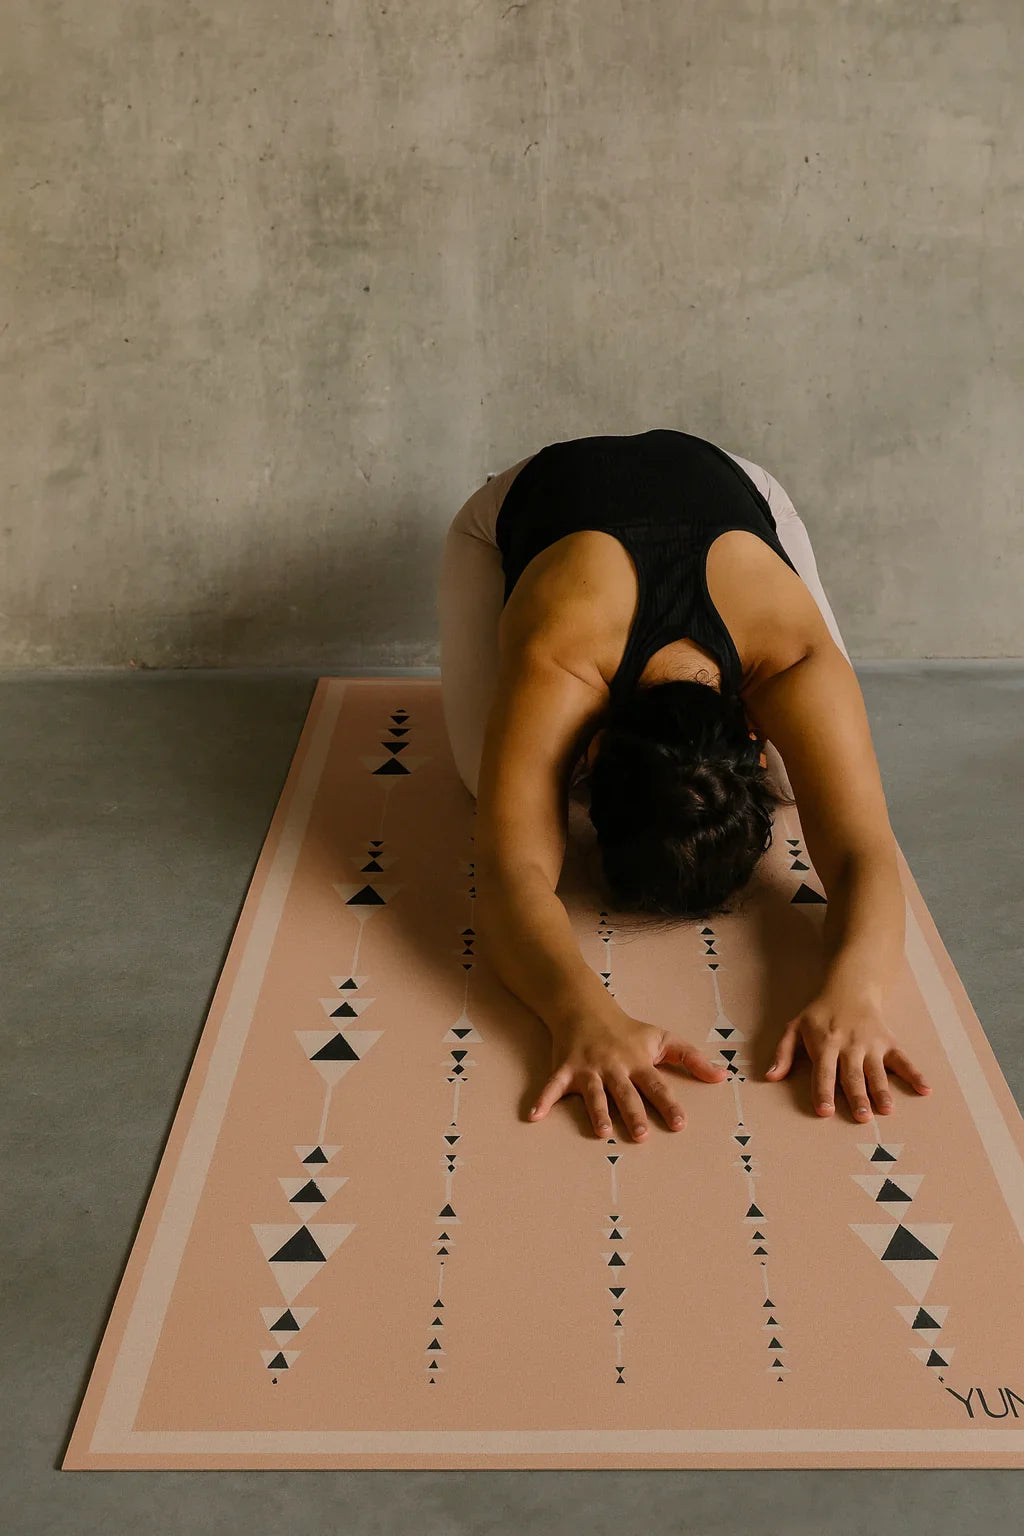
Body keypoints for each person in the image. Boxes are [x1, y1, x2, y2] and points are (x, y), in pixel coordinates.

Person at [437, 428, 932, 1141]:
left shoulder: (793, 656)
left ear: (753, 740)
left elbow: (864, 850)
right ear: (598, 746)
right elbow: (511, 874)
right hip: (520, 509)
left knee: (807, 784)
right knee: (482, 787)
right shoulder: (559, 661)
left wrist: (857, 994)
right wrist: (579, 1011)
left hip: (738, 491)